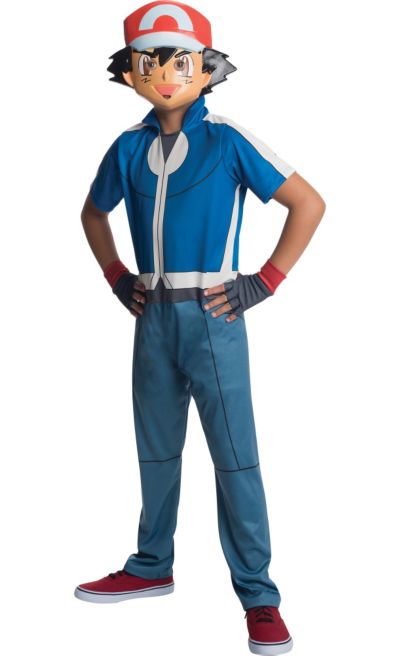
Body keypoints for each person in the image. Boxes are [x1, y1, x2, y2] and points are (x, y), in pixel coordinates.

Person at [74, 2, 326, 654]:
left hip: (215, 316)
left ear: (207, 69)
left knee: (235, 456)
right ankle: (151, 564)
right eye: (148, 63)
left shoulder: (227, 140)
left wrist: (263, 282)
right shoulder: (127, 148)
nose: (164, 76)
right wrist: (116, 276)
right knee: (156, 449)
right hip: (152, 317)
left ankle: (260, 596)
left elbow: (307, 202)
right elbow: (93, 214)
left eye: (179, 63)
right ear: (129, 72)